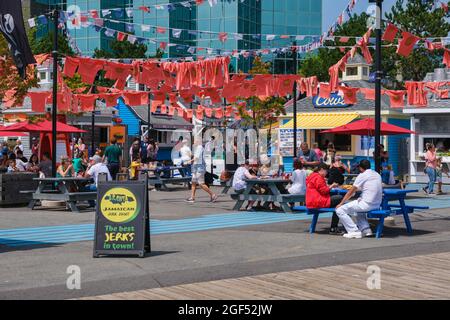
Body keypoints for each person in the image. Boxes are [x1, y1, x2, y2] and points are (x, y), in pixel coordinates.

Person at [336, 159, 383, 239]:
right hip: (377, 204)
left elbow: (351, 191)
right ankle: (366, 230)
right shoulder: (377, 174)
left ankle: (354, 231)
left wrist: (341, 203)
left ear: (361, 168)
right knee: (359, 209)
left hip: (367, 204)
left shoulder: (362, 175)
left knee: (340, 210)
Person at [305, 163, 342, 235]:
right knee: (340, 199)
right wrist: (332, 186)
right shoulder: (319, 177)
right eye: (326, 171)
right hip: (318, 201)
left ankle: (334, 227)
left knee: (337, 204)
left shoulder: (312, 176)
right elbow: (324, 191)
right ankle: (334, 227)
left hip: (310, 202)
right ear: (322, 170)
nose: (327, 173)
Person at [186, 138, 218, 203]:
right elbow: (194, 156)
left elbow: (196, 158)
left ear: (198, 141)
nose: (193, 142)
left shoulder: (199, 148)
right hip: (195, 168)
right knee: (193, 182)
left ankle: (213, 195)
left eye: (194, 140)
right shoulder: (197, 148)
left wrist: (189, 161)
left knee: (201, 184)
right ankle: (192, 197)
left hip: (199, 168)